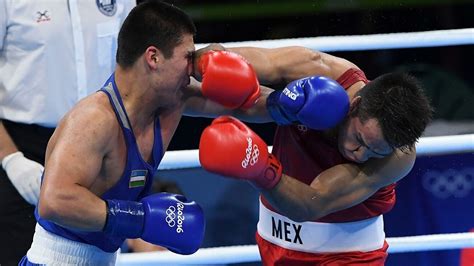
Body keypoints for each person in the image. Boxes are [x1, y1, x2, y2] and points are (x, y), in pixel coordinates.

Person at [20, 1, 265, 264]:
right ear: (153, 57)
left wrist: (288, 104)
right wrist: (140, 219)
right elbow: (54, 201)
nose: (193, 67)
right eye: (187, 56)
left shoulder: (170, 103)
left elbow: (245, 101)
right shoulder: (93, 119)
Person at [197, 45, 434, 265]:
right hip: (275, 242)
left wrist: (259, 167)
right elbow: (232, 60)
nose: (360, 155)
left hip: (351, 256)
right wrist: (207, 61)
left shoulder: (399, 157)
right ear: (354, 105)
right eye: (360, 140)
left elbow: (312, 203)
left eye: (375, 152)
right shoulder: (320, 70)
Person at [0, 0, 135, 264]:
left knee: (92, 259)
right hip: (18, 148)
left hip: (99, 150)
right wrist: (10, 159)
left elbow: (136, 76)